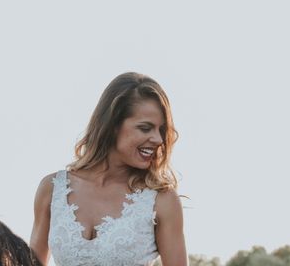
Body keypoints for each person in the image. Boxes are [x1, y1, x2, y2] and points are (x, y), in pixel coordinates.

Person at [30, 72, 187, 266]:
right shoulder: (53, 189)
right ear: (112, 125)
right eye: (146, 128)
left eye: (161, 130)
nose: (158, 139)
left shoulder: (162, 200)